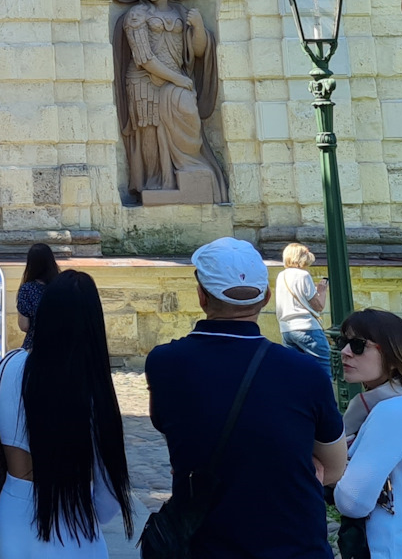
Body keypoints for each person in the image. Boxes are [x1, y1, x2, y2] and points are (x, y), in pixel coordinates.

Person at [144, 238, 346, 559]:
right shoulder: (305, 371)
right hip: (294, 544)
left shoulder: (164, 363)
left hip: (206, 544)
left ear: (201, 296)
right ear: (265, 297)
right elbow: (334, 467)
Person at [0, 271, 141, 556]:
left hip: (14, 503)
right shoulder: (90, 386)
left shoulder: (10, 365)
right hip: (73, 510)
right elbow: (108, 496)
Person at [334, 310, 402, 559]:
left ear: (393, 355)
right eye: (342, 343)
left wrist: (331, 472)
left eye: (358, 345)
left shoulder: (393, 411)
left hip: (392, 549)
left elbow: (352, 502)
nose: (345, 352)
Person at [273, 243, 330, 368]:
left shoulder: (281, 275)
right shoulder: (303, 275)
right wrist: (322, 290)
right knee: (323, 367)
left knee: (295, 370)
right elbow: (318, 306)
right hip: (307, 327)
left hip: (287, 330)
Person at [16, 244, 60, 351]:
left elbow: (24, 326)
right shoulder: (62, 285)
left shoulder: (27, 289)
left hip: (35, 346)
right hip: (61, 346)